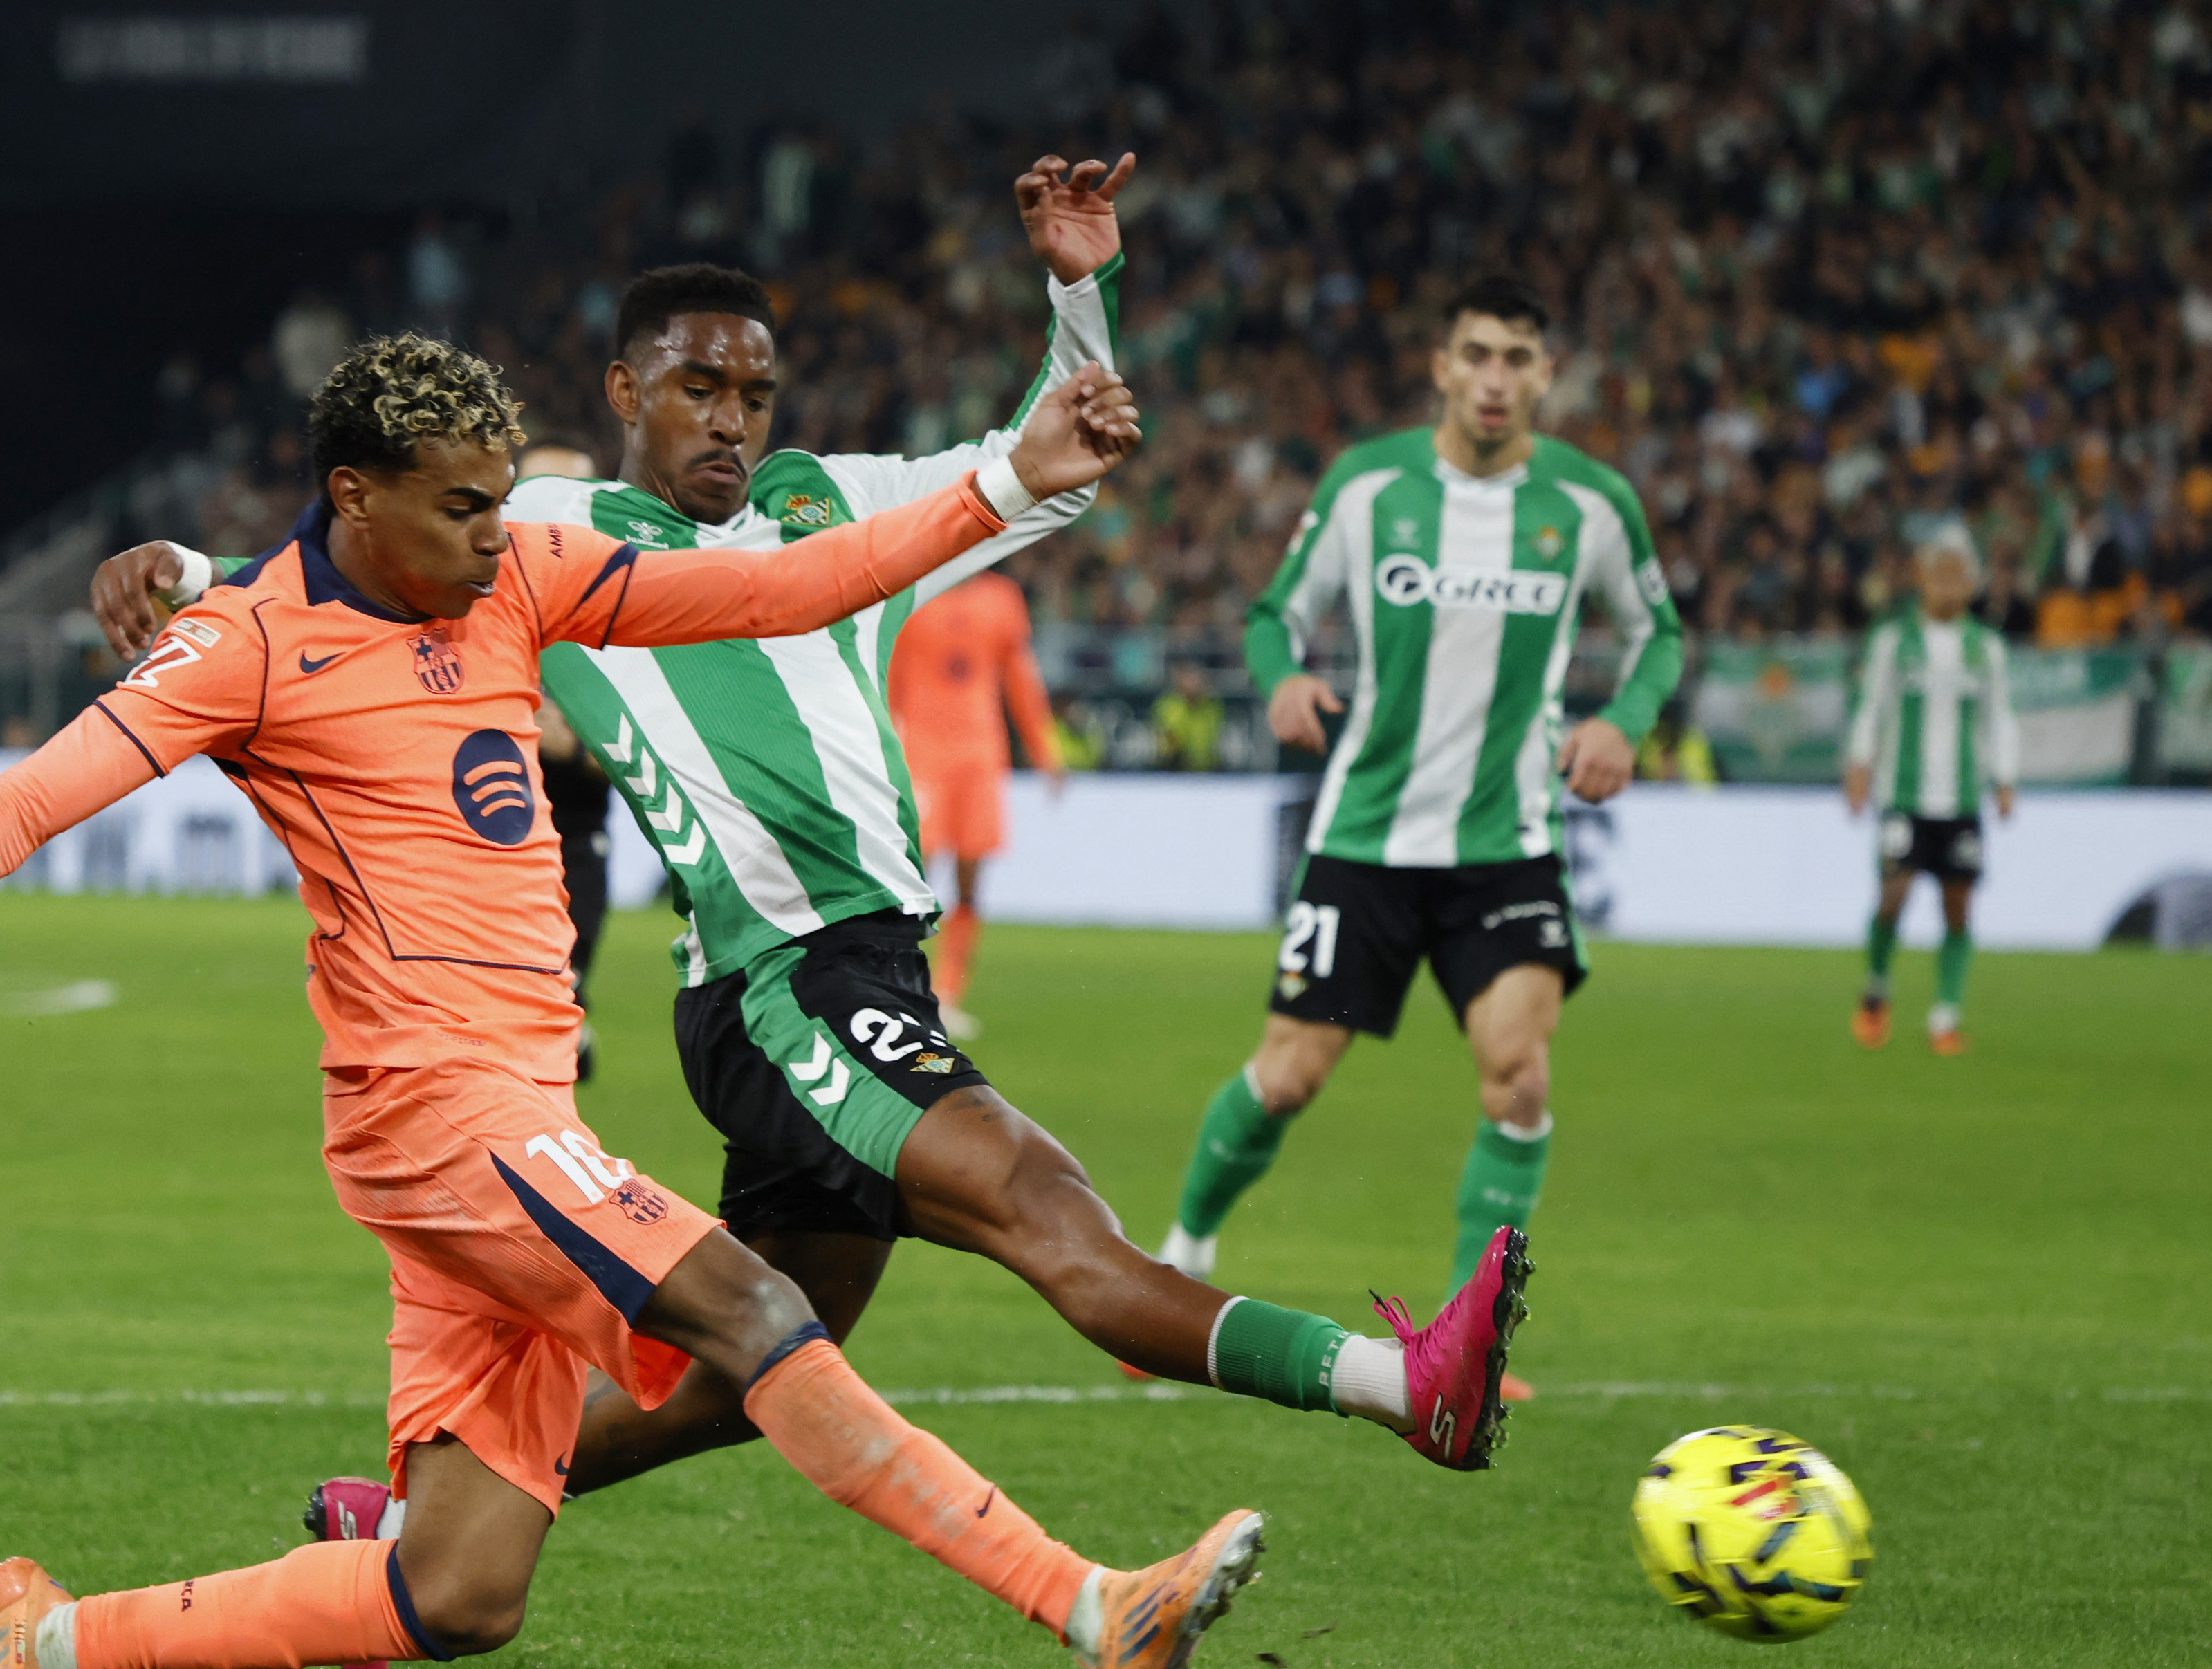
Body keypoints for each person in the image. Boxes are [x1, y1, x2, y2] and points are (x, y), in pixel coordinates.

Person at [0, 336, 1273, 1669]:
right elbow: (27, 799)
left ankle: (44, 1638)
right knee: (749, 1310)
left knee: (458, 1592)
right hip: (437, 1115)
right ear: (355, 495)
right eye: (465, 506)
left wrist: (1007, 480)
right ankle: (1091, 1607)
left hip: (503, 1116)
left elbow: (792, 584)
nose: (503, 533)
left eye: (504, 502)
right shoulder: (244, 645)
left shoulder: (524, 577)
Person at [97, 163, 1530, 1552]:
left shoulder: (827, 502)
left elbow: (1052, 469)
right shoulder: (544, 537)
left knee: (739, 1379)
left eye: (751, 393)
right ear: (622, 394)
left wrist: (1079, 295)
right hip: (783, 984)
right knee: (1051, 1218)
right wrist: (178, 564)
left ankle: (398, 1530)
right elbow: (345, 559)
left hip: (855, 968)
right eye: (695, 389)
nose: (728, 419)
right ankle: (1405, 1389)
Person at [1159, 276, 1679, 1365]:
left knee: (1519, 1073)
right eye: (1477, 355)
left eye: (1517, 358)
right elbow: (1273, 614)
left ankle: (1465, 1340)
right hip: (1367, 840)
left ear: (1546, 374)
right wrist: (1281, 681)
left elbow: (1657, 633)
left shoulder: (1587, 506)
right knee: (1289, 1075)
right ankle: (1180, 1256)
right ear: (1442, 366)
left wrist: (1625, 721)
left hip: (1509, 844)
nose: (1496, 379)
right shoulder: (1368, 487)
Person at [1843, 522, 2018, 1056]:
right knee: (1893, 893)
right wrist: (1857, 764)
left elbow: (1998, 718)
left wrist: (2004, 778)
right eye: (1938, 572)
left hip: (1961, 797)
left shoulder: (1984, 648)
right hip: (1903, 792)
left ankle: (1945, 1015)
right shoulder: (1894, 641)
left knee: (1957, 903)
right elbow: (1870, 706)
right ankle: (1875, 988)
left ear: (1971, 583)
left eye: (1957, 575)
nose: (1947, 584)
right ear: (1921, 577)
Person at [884, 568, 1064, 1038]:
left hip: (981, 757)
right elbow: (889, 677)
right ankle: (898, 988)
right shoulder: (913, 593)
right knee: (910, 878)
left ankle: (946, 995)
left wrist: (1044, 746)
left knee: (969, 878)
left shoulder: (1002, 598)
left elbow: (1019, 675)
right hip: (921, 755)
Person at [518, 442, 618, 1080]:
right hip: (480, 841)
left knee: (550, 1009)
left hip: (573, 841)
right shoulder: (469, 604)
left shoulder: (619, 617)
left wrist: (576, 747)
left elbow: (667, 754)